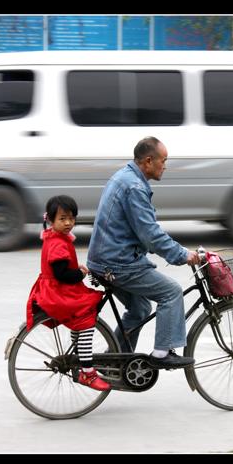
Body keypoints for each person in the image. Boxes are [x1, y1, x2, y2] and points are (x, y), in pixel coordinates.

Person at [87, 137, 201, 369]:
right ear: (149, 161)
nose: (165, 166)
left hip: (105, 259)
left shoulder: (125, 176)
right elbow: (150, 234)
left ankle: (115, 360)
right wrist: (181, 254)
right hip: (117, 263)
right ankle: (162, 353)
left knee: (140, 308)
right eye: (163, 160)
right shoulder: (135, 187)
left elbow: (144, 232)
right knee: (171, 292)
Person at [26, 195, 110, 391]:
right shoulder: (57, 243)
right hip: (59, 292)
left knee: (80, 321)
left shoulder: (54, 237)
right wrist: (79, 273)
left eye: (71, 218)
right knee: (86, 320)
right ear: (51, 220)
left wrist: (75, 269)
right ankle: (87, 373)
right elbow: (62, 274)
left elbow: (61, 267)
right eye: (62, 218)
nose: (68, 223)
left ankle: (80, 352)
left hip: (55, 288)